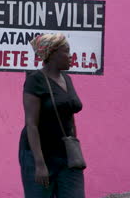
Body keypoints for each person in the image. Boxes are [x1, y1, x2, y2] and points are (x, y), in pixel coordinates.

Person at [19, 33, 85, 198]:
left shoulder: (67, 79)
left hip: (67, 155)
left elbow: (69, 113)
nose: (70, 56)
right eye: (66, 51)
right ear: (53, 54)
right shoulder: (35, 80)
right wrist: (39, 164)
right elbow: (31, 124)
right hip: (39, 154)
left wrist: (73, 143)